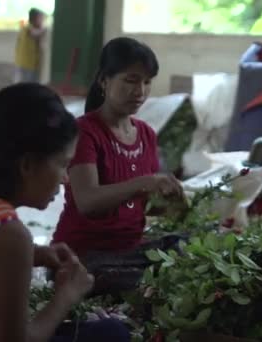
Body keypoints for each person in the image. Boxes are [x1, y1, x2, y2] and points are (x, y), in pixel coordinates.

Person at [0, 83, 130, 341]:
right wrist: (66, 296)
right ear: (27, 165)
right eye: (63, 164)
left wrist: (33, 256)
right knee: (112, 334)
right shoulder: (8, 232)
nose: (66, 178)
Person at [52, 37, 183, 294]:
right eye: (131, 80)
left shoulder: (146, 134)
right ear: (104, 81)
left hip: (128, 253)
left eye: (147, 82)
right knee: (152, 286)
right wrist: (145, 182)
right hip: (84, 256)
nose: (140, 91)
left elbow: (141, 206)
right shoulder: (85, 131)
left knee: (187, 250)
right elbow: (88, 201)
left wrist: (176, 202)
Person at [14, 8, 46, 83]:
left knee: (32, 83)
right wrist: (44, 29)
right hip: (25, 63)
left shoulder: (31, 28)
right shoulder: (27, 28)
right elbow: (36, 34)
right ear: (34, 19)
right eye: (41, 18)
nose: (42, 20)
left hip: (32, 63)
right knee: (25, 84)